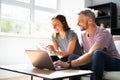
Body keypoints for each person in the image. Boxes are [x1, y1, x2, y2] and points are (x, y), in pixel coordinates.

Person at [54, 10, 120, 80]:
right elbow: (82, 54)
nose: (77, 24)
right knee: (72, 57)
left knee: (97, 53)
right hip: (95, 61)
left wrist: (69, 64)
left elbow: (91, 54)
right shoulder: (83, 35)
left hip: (114, 63)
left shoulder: (103, 33)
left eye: (80, 21)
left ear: (90, 21)